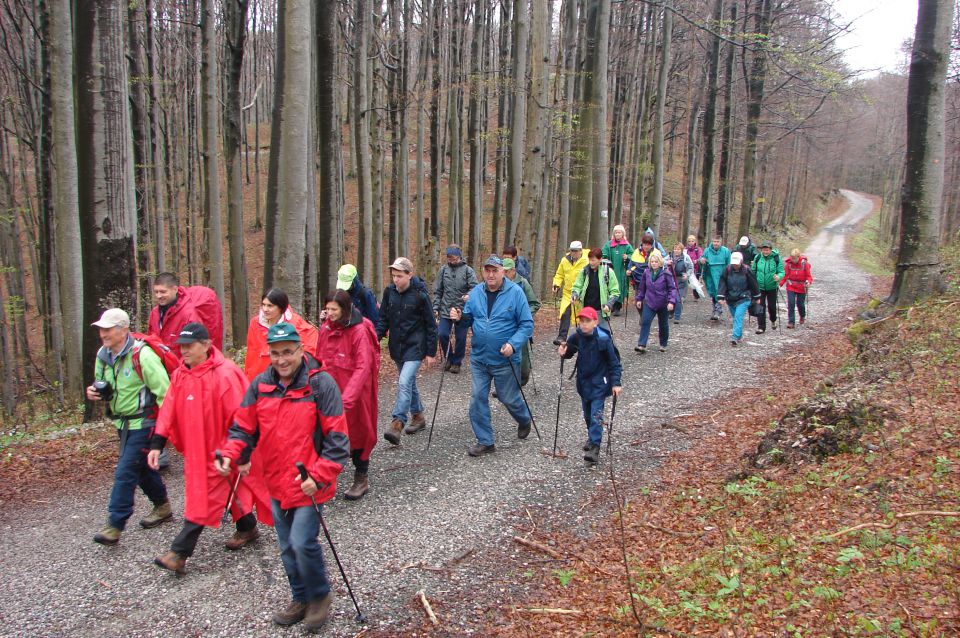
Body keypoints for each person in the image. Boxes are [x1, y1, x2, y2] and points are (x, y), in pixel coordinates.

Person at [216, 323, 350, 631]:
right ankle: (300, 597)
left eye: (288, 352)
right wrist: (231, 453)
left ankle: (319, 596)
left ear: (301, 350)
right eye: (275, 354)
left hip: (309, 483)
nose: (281, 359)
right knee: (287, 546)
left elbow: (338, 441)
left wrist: (318, 476)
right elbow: (242, 429)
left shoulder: (321, 385)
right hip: (275, 481)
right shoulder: (260, 385)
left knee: (302, 542)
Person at [148, 323, 272, 575]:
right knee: (221, 491)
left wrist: (240, 451)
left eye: (189, 345)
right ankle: (247, 526)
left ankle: (179, 552)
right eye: (181, 346)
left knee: (205, 499)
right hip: (196, 451)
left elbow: (243, 416)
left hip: (223, 451)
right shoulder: (181, 374)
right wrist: (157, 442)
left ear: (206, 345)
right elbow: (169, 408)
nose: (183, 351)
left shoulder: (225, 374)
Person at [87, 308, 171, 546]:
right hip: (121, 422)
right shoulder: (103, 355)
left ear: (123, 329)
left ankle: (115, 524)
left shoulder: (142, 355)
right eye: (101, 329)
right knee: (141, 467)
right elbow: (101, 384)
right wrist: (94, 392)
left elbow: (165, 392)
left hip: (144, 423)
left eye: (108, 328)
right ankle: (162, 506)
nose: (103, 333)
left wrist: (164, 432)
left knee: (125, 471)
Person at [449, 256, 534, 457]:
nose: (490, 274)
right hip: (480, 357)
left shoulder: (516, 293)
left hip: (505, 359)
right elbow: (469, 318)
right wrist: (460, 317)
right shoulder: (477, 292)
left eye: (495, 270)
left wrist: (513, 345)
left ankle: (524, 418)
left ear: (503, 271)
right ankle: (485, 441)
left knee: (508, 397)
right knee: (477, 397)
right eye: (487, 270)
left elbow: (527, 324)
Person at [316, 290, 381, 500]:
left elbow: (363, 366)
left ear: (344, 309)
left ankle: (361, 475)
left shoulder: (359, 331)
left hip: (355, 394)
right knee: (324, 434)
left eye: (334, 309)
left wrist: (347, 399)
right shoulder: (325, 329)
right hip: (329, 391)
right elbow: (319, 359)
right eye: (328, 309)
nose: (330, 313)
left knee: (359, 434)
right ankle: (323, 476)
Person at [376, 257, 438, 445]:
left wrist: (431, 352)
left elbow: (431, 325)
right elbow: (383, 320)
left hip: (415, 347)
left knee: (404, 382)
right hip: (397, 348)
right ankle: (418, 416)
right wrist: (374, 339)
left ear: (410, 275)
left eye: (400, 276)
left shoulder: (420, 295)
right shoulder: (389, 293)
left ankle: (397, 422)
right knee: (409, 384)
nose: (396, 280)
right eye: (394, 276)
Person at [558, 307, 622, 464]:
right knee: (587, 415)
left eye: (587, 321)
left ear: (595, 322)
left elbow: (614, 363)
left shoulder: (603, 339)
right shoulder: (577, 337)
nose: (584, 324)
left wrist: (616, 383)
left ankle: (595, 446)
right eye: (582, 321)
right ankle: (591, 436)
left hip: (600, 383)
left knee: (596, 415)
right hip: (583, 382)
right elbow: (569, 352)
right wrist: (563, 352)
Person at [245, 288, 319, 381]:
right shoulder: (255, 323)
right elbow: (251, 354)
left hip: (289, 376)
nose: (265, 309)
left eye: (270, 306)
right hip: (261, 376)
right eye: (263, 305)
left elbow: (311, 342)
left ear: (280, 307)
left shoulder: (295, 322)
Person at [148, 272, 224, 354]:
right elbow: (151, 339)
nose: (159, 296)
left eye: (163, 292)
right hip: (160, 362)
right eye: (156, 292)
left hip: (181, 364)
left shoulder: (188, 314)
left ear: (175, 289)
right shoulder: (155, 313)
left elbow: (195, 347)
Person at [433, 245, 479, 374]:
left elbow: (475, 288)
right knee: (442, 334)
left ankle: (457, 362)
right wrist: (435, 307)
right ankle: (449, 358)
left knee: (461, 337)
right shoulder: (443, 270)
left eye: (453, 258)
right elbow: (438, 291)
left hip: (462, 310)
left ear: (459, 256)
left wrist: (468, 295)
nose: (450, 260)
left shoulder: (467, 270)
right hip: (446, 309)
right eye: (448, 258)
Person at [504, 257, 541, 387]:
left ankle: (522, 379)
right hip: (505, 327)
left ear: (513, 270)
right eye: (502, 271)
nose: (503, 274)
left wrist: (524, 316)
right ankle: (506, 386)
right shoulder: (498, 285)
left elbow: (535, 303)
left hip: (521, 327)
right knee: (505, 357)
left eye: (506, 271)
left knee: (523, 359)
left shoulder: (523, 283)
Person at [634, 252, 677, 353]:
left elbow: (672, 289)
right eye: (652, 262)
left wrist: (671, 301)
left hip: (663, 302)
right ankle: (641, 345)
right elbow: (642, 288)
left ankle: (663, 344)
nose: (654, 264)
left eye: (656, 262)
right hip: (650, 302)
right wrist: (639, 299)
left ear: (660, 262)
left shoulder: (666, 273)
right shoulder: (646, 273)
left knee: (663, 324)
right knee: (645, 321)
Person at [571, 248, 620, 333]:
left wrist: (609, 304)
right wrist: (574, 295)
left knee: (605, 336)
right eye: (590, 260)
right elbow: (577, 286)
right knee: (582, 335)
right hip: (585, 309)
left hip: (601, 311)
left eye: (593, 260)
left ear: (600, 259)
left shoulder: (608, 272)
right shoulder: (584, 271)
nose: (591, 263)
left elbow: (615, 291)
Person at [718, 252, 761, 346]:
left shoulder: (747, 270)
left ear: (741, 261)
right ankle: (739, 335)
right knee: (736, 318)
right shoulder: (727, 270)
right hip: (731, 298)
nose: (735, 265)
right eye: (733, 263)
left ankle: (735, 337)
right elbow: (722, 283)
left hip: (744, 297)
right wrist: (721, 296)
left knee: (738, 316)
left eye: (737, 263)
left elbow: (754, 284)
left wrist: (757, 296)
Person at [552, 241, 588, 345]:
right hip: (567, 293)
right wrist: (556, 284)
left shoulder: (586, 261)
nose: (573, 253)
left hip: (581, 294)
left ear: (581, 251)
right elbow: (559, 274)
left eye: (576, 251)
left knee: (581, 316)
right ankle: (562, 337)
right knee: (565, 313)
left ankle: (583, 336)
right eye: (572, 251)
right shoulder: (564, 261)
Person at [752, 240, 785, 334]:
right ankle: (761, 327)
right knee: (760, 306)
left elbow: (782, 271)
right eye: (764, 250)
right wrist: (752, 282)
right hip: (760, 287)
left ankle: (773, 320)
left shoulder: (776, 258)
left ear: (771, 250)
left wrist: (778, 277)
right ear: (761, 250)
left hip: (772, 287)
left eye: (767, 250)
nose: (765, 252)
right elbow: (753, 270)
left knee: (772, 307)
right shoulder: (757, 258)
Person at [601, 225, 633, 315]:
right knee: (610, 286)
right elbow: (603, 254)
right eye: (616, 232)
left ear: (623, 234)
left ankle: (618, 306)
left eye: (619, 232)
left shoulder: (626, 245)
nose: (617, 234)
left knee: (620, 287)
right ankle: (611, 305)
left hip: (622, 271)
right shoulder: (609, 244)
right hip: (611, 270)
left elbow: (633, 255)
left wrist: (627, 257)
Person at [699, 235, 732, 321]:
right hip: (710, 275)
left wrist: (729, 275)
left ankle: (718, 311)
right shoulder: (707, 251)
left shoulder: (726, 251)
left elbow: (729, 264)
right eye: (714, 241)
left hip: (721, 275)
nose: (715, 243)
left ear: (721, 242)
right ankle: (715, 309)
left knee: (719, 292)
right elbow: (702, 261)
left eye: (717, 242)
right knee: (713, 293)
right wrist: (702, 261)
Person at [780, 248, 813, 328]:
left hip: (802, 287)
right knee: (791, 304)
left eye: (794, 258)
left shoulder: (805, 264)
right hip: (791, 286)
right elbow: (785, 275)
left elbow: (809, 276)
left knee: (800, 304)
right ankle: (791, 322)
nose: (793, 260)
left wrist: (808, 282)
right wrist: (780, 284)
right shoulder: (788, 264)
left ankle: (802, 315)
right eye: (792, 258)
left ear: (799, 257)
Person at [669, 243, 695, 323]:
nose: (676, 251)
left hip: (681, 281)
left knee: (678, 299)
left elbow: (691, 267)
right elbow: (662, 263)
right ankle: (671, 312)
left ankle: (677, 316)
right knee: (670, 298)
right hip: (671, 279)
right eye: (675, 249)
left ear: (682, 250)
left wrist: (687, 275)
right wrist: (667, 263)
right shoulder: (669, 257)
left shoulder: (686, 258)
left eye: (678, 249)